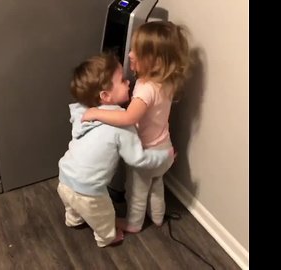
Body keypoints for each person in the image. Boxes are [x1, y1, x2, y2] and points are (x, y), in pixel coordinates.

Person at [82, 21, 191, 233]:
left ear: (157, 62)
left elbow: (129, 118)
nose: (130, 55)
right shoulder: (167, 82)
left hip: (147, 154)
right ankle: (158, 217)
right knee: (157, 184)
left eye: (136, 52)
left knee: (137, 191)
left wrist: (95, 112)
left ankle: (133, 223)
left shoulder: (145, 89)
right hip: (165, 150)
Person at [57, 52, 174, 247]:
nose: (128, 82)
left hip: (64, 177)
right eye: (122, 80)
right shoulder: (122, 125)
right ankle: (107, 238)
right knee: (104, 216)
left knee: (73, 206)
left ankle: (74, 220)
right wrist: (163, 155)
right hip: (90, 190)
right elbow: (138, 159)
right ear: (105, 95)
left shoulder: (83, 112)